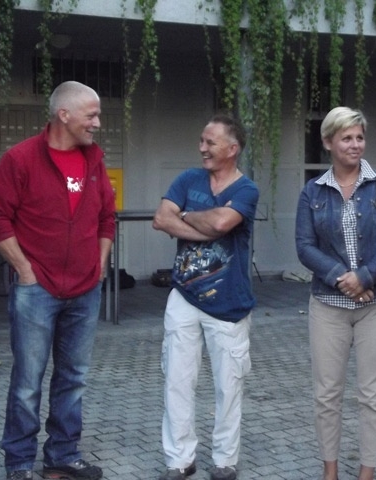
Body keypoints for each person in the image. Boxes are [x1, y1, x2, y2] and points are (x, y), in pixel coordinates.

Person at [0, 81, 115, 480]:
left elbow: (106, 218)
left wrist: (100, 264)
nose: (97, 123)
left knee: (73, 378)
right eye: (92, 115)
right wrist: (24, 270)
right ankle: (20, 463)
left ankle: (63, 455)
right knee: (28, 381)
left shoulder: (95, 161)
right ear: (64, 114)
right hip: (36, 290)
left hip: (85, 289)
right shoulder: (21, 158)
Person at [295, 106, 376, 480]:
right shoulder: (312, 191)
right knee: (327, 395)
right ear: (328, 142)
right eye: (346, 138)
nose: (355, 144)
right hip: (328, 305)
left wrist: (365, 277)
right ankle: (330, 472)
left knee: (373, 396)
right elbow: (304, 246)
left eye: (360, 137)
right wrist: (341, 278)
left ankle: (366, 474)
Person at [152, 114, 259, 480]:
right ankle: (179, 460)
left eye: (210, 142)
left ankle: (225, 460)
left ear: (232, 148)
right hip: (183, 295)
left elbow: (222, 223)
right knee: (177, 381)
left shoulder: (246, 189)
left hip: (229, 304)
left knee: (228, 386)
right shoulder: (188, 179)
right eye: (201, 140)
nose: (202, 148)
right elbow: (161, 219)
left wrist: (185, 215)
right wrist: (201, 225)